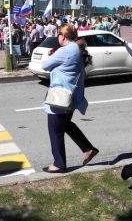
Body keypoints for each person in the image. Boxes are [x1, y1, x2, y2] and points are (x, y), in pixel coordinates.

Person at [41, 23, 98, 173]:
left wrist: (52, 55)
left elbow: (45, 65)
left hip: (59, 98)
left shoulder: (65, 51)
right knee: (65, 125)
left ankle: (59, 164)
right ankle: (88, 149)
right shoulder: (76, 49)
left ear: (62, 36)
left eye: (58, 35)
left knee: (55, 131)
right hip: (70, 97)